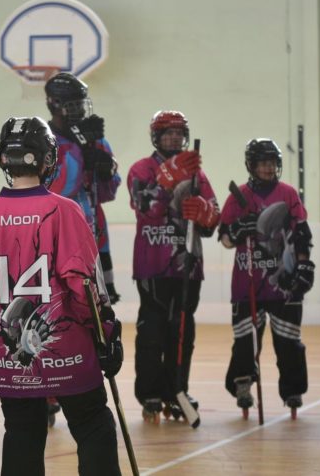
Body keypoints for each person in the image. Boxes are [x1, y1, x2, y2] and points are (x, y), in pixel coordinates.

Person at [0, 116, 123, 476]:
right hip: (68, 353)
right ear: (47, 159)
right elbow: (82, 283)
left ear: (4, 159)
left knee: (21, 431)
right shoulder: (65, 211)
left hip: (9, 358)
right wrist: (106, 331)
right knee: (93, 422)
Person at [127, 110, 219, 421]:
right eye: (167, 133)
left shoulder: (197, 174)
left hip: (187, 266)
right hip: (152, 264)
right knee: (152, 331)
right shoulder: (141, 169)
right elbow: (145, 209)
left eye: (179, 133)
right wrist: (166, 180)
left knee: (181, 332)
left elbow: (213, 219)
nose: (174, 138)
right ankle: (150, 392)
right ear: (156, 136)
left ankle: (177, 390)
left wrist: (205, 211)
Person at [219, 138, 314, 414]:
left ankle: (293, 390)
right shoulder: (239, 197)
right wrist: (238, 229)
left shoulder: (288, 194)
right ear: (251, 165)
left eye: (272, 163)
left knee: (288, 341)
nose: (268, 168)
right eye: (262, 163)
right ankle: (242, 384)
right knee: (245, 341)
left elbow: (301, 234)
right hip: (247, 282)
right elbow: (225, 238)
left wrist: (304, 266)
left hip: (283, 282)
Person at [44, 73, 121, 303]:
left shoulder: (95, 138)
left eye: (81, 103)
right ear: (54, 105)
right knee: (65, 300)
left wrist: (106, 172)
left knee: (100, 304)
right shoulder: (45, 141)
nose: (79, 109)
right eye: (72, 104)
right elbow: (55, 188)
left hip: (95, 230)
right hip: (61, 232)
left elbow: (107, 193)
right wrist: (80, 152)